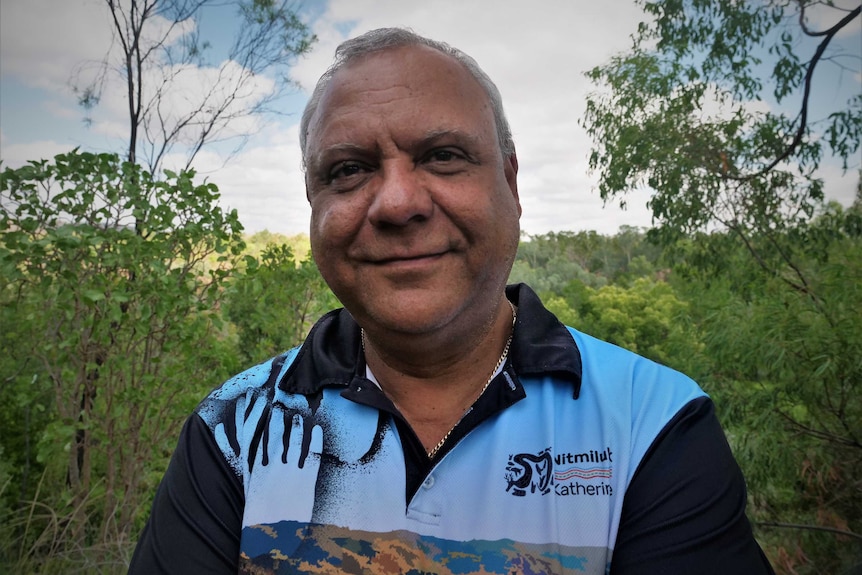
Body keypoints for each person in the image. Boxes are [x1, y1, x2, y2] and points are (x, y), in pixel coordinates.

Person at [129, 27, 774, 574]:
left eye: (442, 156)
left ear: (511, 183)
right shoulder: (233, 433)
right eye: (349, 169)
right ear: (313, 204)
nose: (398, 203)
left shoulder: (650, 426)